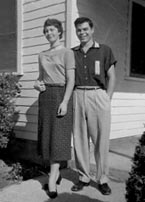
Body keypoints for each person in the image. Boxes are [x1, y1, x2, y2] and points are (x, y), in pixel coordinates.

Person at [71, 17, 116, 195]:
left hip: (98, 95)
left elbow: (112, 76)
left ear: (92, 29)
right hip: (77, 95)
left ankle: (102, 179)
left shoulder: (104, 50)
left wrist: (107, 98)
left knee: (101, 141)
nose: (82, 33)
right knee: (80, 139)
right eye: (79, 30)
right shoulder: (72, 52)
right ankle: (83, 176)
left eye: (85, 29)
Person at [34, 18, 75, 199]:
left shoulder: (67, 52)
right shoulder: (42, 54)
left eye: (51, 30)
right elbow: (40, 77)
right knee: (49, 136)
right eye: (46, 31)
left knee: (59, 137)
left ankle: (52, 179)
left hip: (61, 95)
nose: (48, 33)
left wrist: (65, 102)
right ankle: (55, 174)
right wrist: (37, 85)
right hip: (46, 97)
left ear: (59, 31)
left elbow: (71, 80)